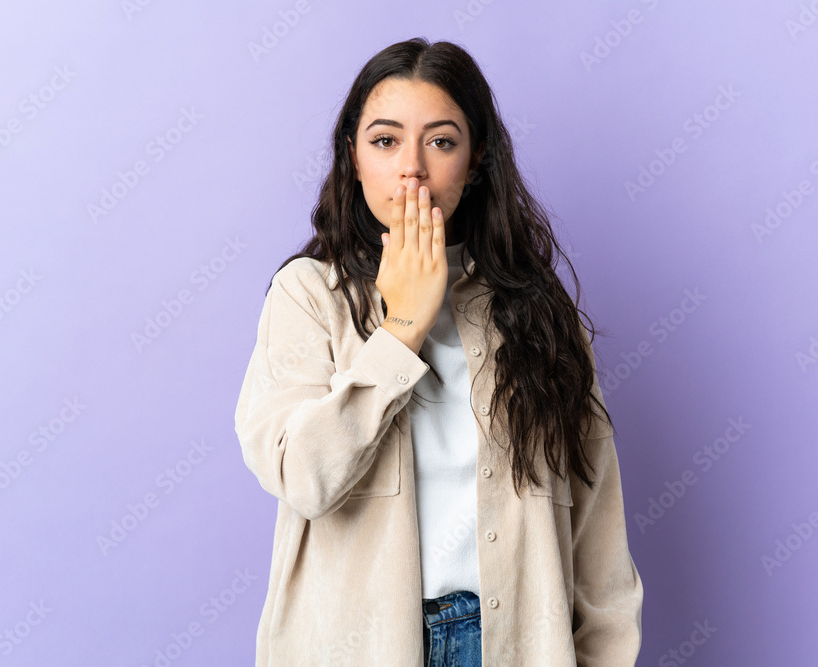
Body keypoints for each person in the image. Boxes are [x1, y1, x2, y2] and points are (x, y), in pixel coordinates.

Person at [235, 37, 643, 666]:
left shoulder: (539, 312)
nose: (412, 169)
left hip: (517, 643)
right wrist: (400, 329)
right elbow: (301, 478)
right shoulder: (310, 295)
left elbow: (598, 535)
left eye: (442, 141)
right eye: (385, 140)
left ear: (475, 160)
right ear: (354, 156)